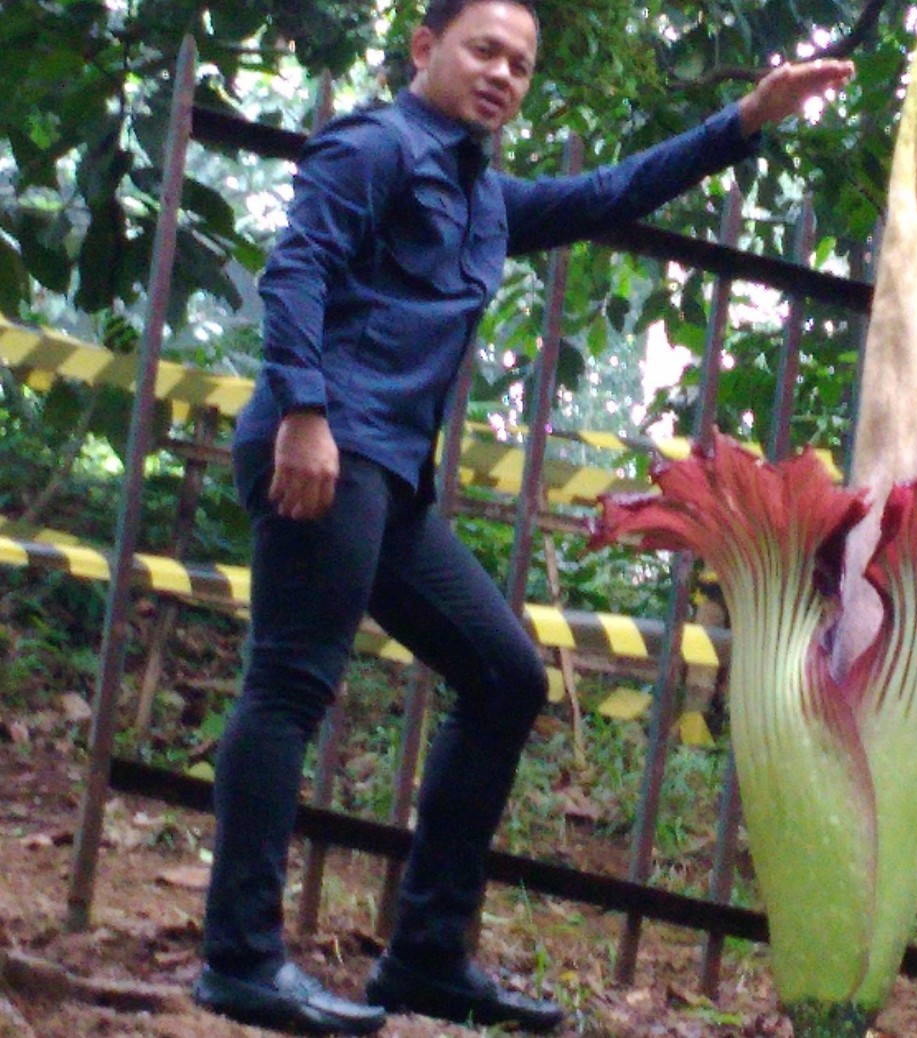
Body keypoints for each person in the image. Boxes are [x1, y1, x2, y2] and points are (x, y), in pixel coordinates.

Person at [189, 0, 853, 1034]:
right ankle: (239, 959)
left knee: (504, 676)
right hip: (323, 446)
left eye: (520, 63)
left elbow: (610, 191)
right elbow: (296, 272)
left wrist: (745, 119)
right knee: (287, 683)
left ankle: (423, 961)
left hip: (389, 476)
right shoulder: (372, 145)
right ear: (425, 49)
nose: (502, 73)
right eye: (482, 50)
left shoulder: (485, 198)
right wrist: (305, 413)